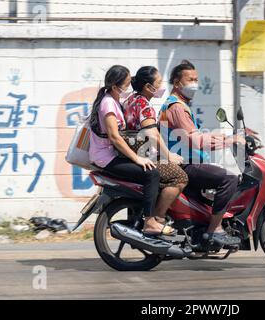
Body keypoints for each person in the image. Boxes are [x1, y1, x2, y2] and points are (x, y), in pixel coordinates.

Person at [158, 60, 246, 246]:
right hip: (183, 164)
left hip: (186, 161)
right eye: (190, 80)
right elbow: (196, 141)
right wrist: (230, 141)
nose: (195, 84)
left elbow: (198, 135)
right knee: (228, 179)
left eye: (196, 79)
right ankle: (215, 230)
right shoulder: (177, 108)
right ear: (177, 83)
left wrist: (231, 136)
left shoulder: (179, 105)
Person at [88, 65, 175, 236]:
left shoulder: (113, 101)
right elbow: (114, 137)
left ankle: (137, 219)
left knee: (148, 172)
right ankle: (150, 222)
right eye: (127, 84)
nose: (129, 88)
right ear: (115, 87)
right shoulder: (108, 104)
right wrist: (137, 159)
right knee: (152, 173)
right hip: (106, 158)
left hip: (110, 154)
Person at [123, 66, 188, 230]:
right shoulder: (144, 105)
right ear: (148, 87)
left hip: (133, 152)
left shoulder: (131, 99)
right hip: (143, 155)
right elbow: (153, 135)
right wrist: (169, 156)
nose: (161, 86)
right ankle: (157, 219)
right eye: (158, 83)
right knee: (180, 177)